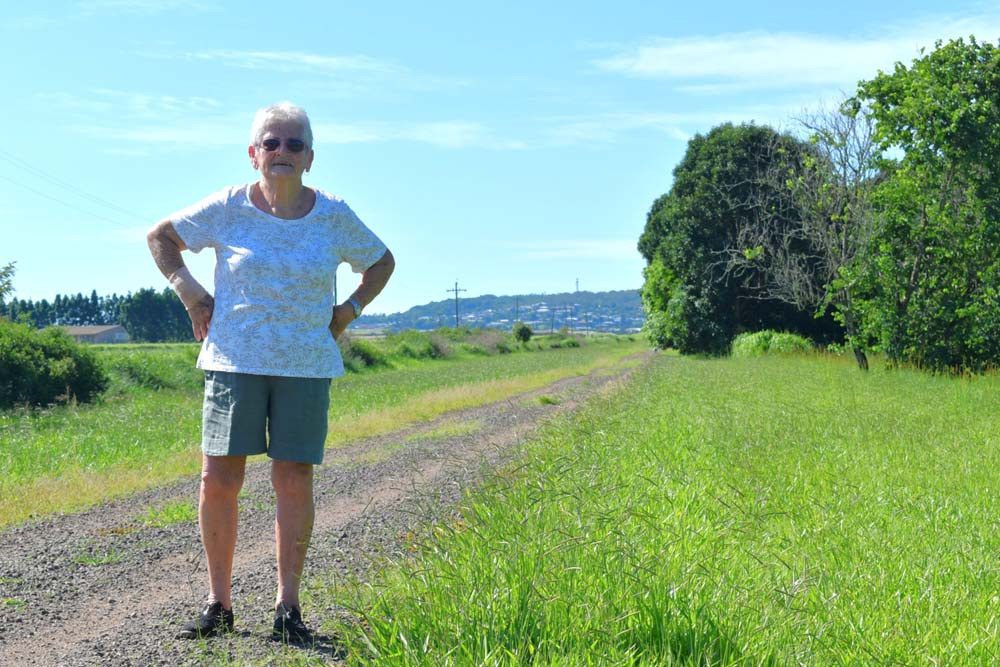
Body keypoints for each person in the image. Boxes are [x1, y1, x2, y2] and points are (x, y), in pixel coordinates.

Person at [146, 102, 394, 642]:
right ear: (254, 153)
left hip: (304, 366)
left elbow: (381, 261)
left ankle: (288, 608)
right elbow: (160, 237)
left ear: (310, 157)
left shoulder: (332, 213)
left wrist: (347, 312)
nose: (282, 152)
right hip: (233, 363)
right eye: (272, 143)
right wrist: (190, 293)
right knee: (218, 481)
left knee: (292, 479)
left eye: (294, 144)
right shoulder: (229, 206)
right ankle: (219, 604)